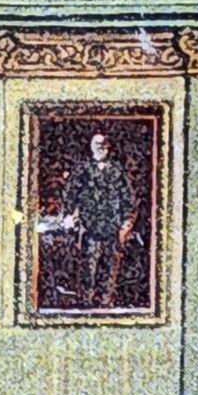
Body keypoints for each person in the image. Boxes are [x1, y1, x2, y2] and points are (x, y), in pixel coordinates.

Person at [64, 131, 136, 307]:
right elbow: (71, 194)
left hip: (113, 227)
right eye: (97, 144)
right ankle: (86, 301)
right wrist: (70, 214)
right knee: (89, 267)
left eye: (104, 145)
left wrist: (127, 221)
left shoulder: (117, 170)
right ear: (91, 147)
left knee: (111, 267)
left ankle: (106, 301)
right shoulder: (83, 169)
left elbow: (128, 197)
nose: (101, 147)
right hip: (90, 227)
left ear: (108, 147)